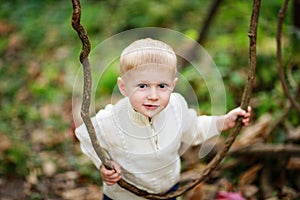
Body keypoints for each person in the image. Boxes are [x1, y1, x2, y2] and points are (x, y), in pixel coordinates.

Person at [75, 38, 251, 200]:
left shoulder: (176, 107)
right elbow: (88, 137)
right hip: (125, 196)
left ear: (172, 86)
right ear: (123, 87)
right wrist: (104, 164)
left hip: (168, 190)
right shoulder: (110, 119)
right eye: (142, 86)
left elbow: (195, 127)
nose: (153, 95)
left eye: (162, 86)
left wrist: (223, 121)